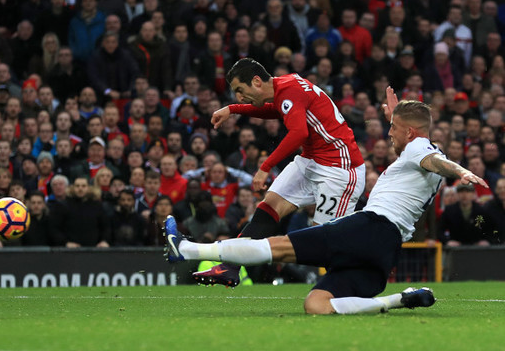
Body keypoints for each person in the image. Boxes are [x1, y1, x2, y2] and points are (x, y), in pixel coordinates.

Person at [166, 92, 489, 314]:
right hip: (384, 252)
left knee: (278, 246)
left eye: (391, 127)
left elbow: (433, 160)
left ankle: (190, 251)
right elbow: (423, 152)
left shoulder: (421, 149)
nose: (388, 134)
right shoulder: (417, 147)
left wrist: (460, 170)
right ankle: (400, 300)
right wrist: (394, 114)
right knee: (317, 305)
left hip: (370, 227)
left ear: (408, 131)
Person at [194, 58, 365, 287]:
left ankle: (362, 278)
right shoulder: (284, 87)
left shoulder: (289, 90)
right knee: (268, 208)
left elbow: (298, 133)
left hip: (340, 169)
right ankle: (231, 266)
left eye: (240, 91)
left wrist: (265, 167)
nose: (239, 97)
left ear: (256, 81)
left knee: (325, 241)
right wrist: (233, 109)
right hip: (311, 160)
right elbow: (274, 110)